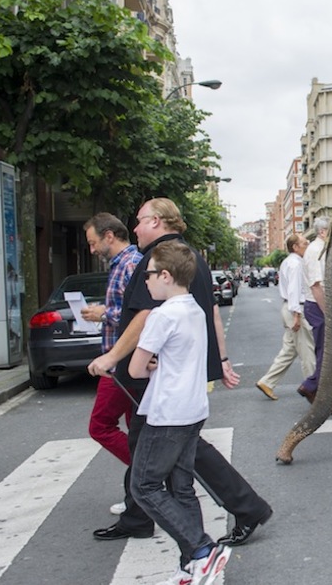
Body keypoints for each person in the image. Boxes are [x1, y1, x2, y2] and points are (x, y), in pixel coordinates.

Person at [88, 198, 272, 551]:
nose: (136, 228)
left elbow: (145, 314)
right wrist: (222, 359)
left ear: (156, 221)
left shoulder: (161, 260)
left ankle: (231, 517)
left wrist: (113, 356)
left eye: (140, 221)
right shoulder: (192, 257)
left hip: (164, 377)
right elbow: (212, 313)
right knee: (172, 455)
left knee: (163, 452)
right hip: (181, 377)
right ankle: (145, 518)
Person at [128, 240, 231, 585]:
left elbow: (135, 369)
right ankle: (192, 565)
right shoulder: (194, 309)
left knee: (144, 486)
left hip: (167, 412)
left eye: (149, 275)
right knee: (181, 488)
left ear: (166, 276)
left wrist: (150, 363)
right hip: (193, 407)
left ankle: (202, 549)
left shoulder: (162, 315)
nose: (145, 280)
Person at [79, 213, 143, 514]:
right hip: (128, 360)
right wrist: (104, 311)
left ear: (108, 236)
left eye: (93, 243)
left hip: (122, 362)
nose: (92, 250)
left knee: (100, 425)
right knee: (135, 428)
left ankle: (149, 475)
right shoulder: (125, 264)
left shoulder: (129, 264)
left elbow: (140, 315)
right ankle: (142, 493)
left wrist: (104, 315)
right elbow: (126, 309)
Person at [297, 216, 332, 415]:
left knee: (326, 353)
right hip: (317, 306)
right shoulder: (315, 251)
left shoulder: (320, 250)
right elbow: (316, 285)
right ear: (323, 232)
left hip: (318, 306)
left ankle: (317, 392)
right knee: (329, 355)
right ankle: (317, 392)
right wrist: (328, 313)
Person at [255, 233, 316, 400]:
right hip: (295, 309)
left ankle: (267, 382)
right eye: (304, 243)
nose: (308, 244)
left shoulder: (289, 262)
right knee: (307, 352)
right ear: (295, 247)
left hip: (289, 308)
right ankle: (314, 390)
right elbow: (294, 291)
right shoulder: (296, 264)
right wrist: (297, 315)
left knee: (289, 350)